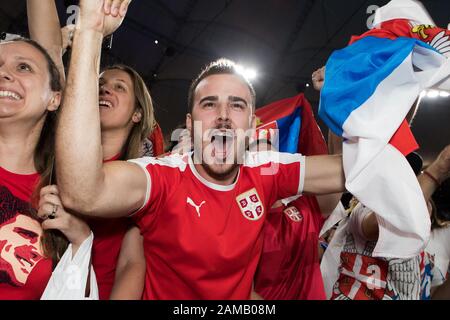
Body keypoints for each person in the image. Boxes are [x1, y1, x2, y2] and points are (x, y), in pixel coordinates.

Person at [53, 0, 345, 300]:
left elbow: (348, 171)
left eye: (236, 104)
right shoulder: (163, 177)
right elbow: (82, 192)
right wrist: (90, 31)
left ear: (250, 124)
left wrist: (346, 96)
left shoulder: (266, 170)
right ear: (190, 126)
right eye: (209, 104)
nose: (223, 114)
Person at [28, 0, 158, 299]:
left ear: (138, 113)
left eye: (119, 87)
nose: (104, 89)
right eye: (100, 83)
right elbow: (46, 58)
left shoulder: (143, 176)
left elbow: (131, 264)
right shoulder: (56, 142)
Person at [0, 37, 90, 299]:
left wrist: (81, 240)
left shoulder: (64, 195)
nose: (4, 73)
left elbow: (75, 292)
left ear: (54, 98)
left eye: (23, 67)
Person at [325, 145, 450, 300]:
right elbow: (397, 214)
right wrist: (437, 172)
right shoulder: (363, 212)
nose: (424, 202)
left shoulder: (419, 255)